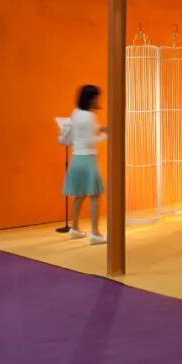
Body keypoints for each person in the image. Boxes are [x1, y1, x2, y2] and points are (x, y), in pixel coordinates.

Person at [64, 85, 107, 245]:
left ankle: (74, 229)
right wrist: (106, 135)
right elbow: (90, 140)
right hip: (88, 160)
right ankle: (95, 233)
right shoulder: (90, 116)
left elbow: (84, 130)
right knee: (95, 195)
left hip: (76, 159)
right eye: (96, 97)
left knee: (80, 194)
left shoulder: (76, 113)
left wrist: (100, 128)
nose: (98, 100)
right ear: (91, 99)